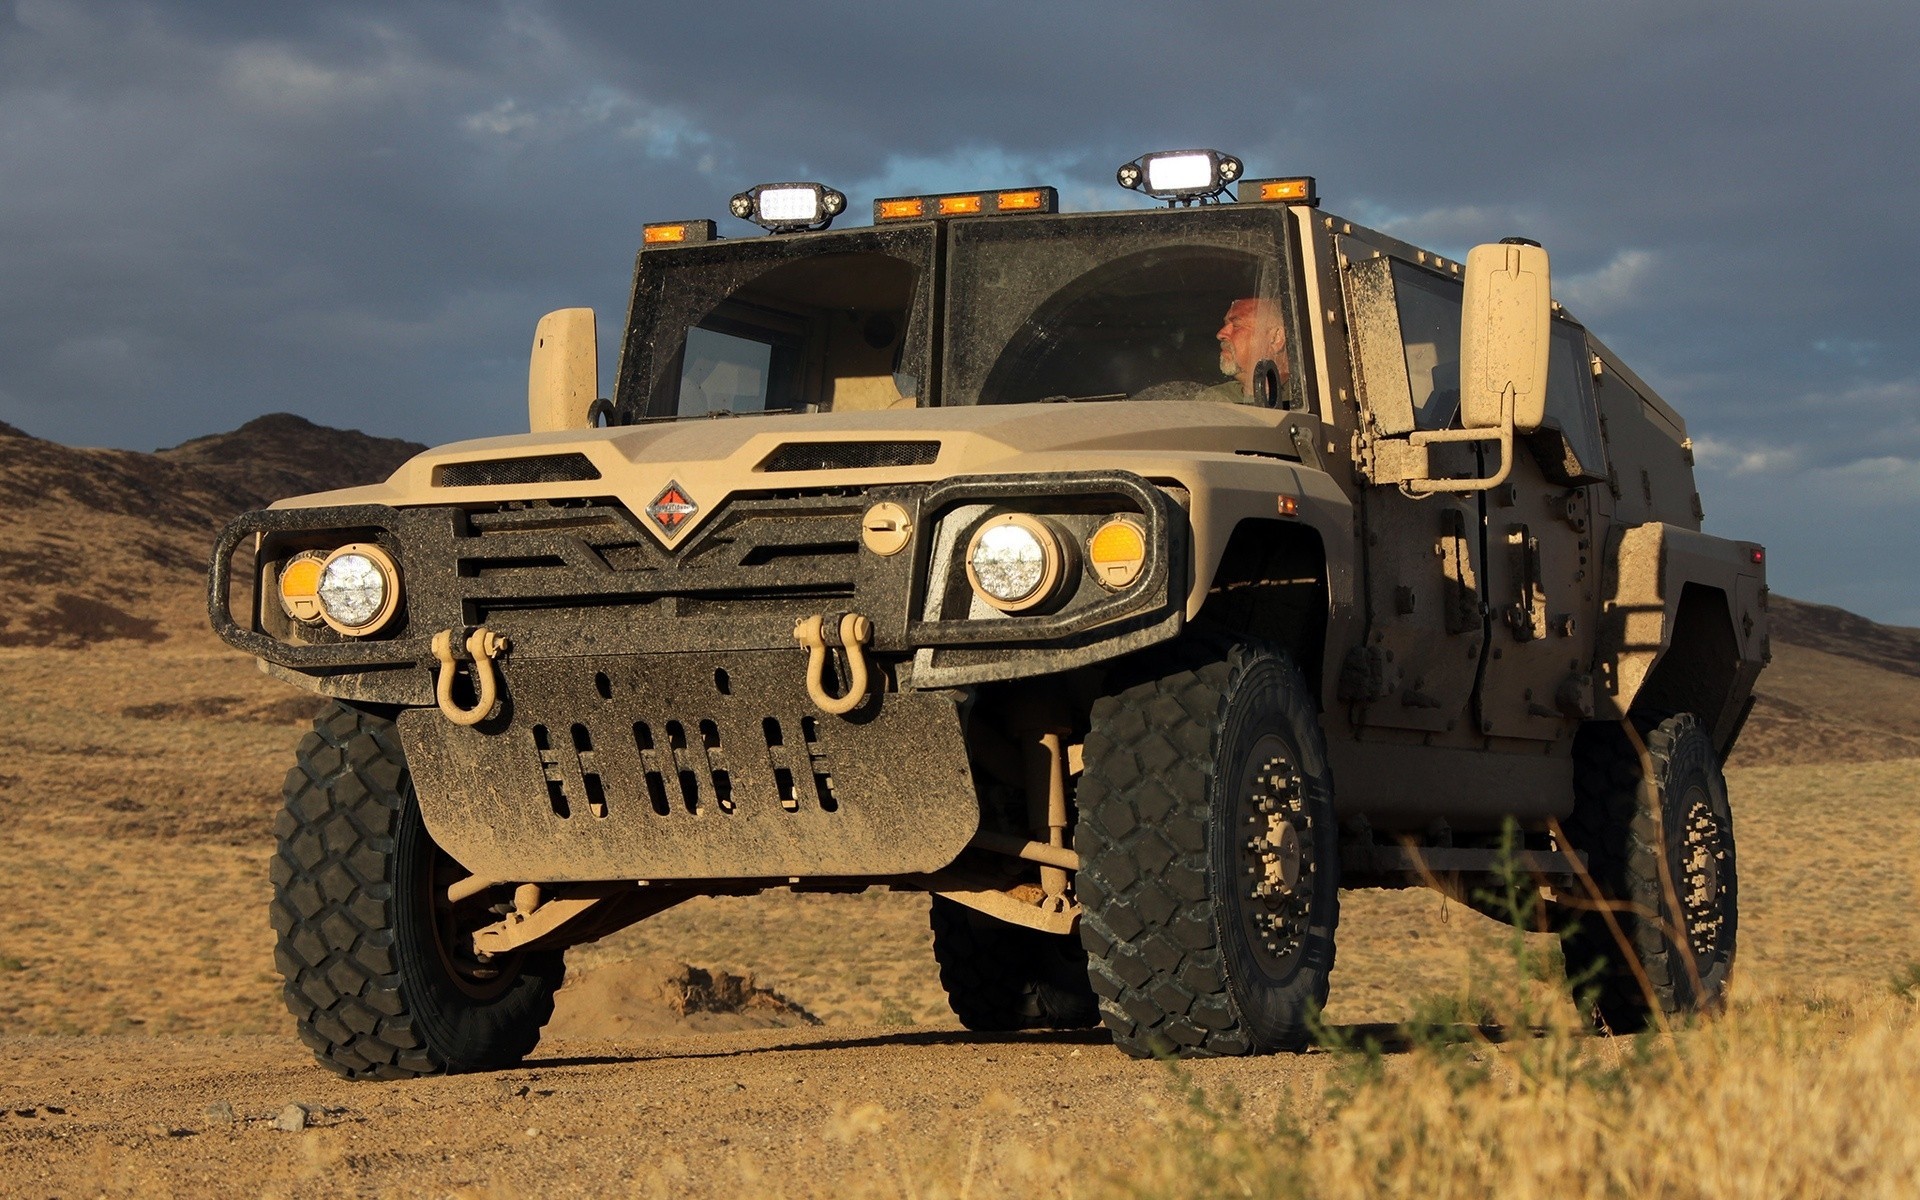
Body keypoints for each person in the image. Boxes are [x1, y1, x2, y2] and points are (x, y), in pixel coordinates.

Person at [1197, 297, 1290, 404]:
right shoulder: (1212, 400)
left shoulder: (1303, 400)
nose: (1220, 334)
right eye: (1225, 324)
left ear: (1275, 338)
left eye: (1236, 325)